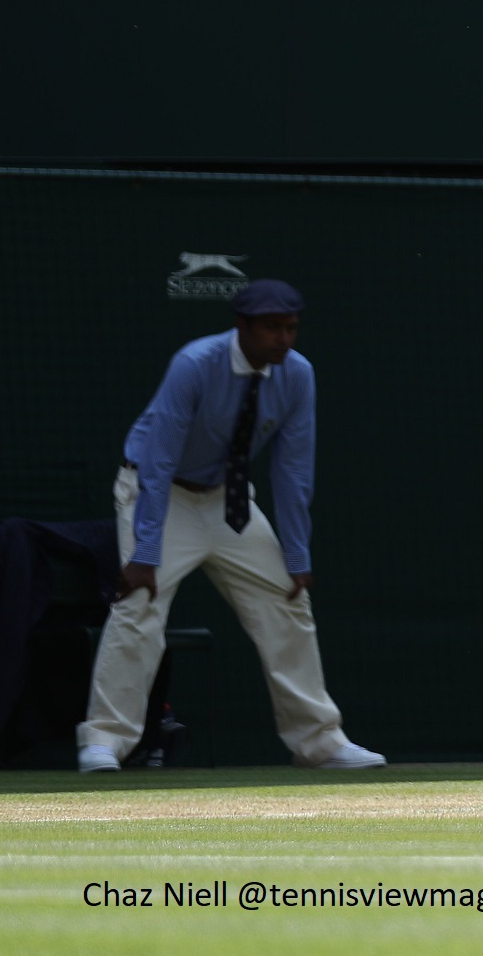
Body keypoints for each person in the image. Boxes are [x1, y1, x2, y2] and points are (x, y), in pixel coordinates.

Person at [77, 280, 385, 773]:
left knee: (288, 599)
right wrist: (146, 551)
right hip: (159, 492)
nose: (283, 339)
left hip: (229, 502)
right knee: (139, 604)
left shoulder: (298, 374)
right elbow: (158, 463)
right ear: (241, 327)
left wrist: (298, 556)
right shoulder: (195, 364)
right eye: (271, 328)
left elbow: (292, 471)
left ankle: (319, 742)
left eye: (291, 328)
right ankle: (105, 741)